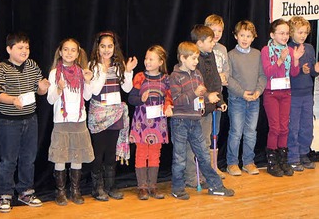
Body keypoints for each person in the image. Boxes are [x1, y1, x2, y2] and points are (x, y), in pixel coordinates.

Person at [0, 32, 50, 212]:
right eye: (20, 48)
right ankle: (5, 195)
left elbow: (39, 90)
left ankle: (25, 191)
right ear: (9, 49)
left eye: (27, 47)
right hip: (9, 122)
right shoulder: (1, 68)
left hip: (30, 119)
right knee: (9, 160)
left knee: (28, 158)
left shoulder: (32, 65)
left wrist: (42, 88)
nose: (25, 51)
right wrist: (13, 100)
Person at [169, 41, 235, 200]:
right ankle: (177, 188)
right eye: (193, 58)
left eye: (197, 58)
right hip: (180, 122)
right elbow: (177, 100)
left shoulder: (197, 74)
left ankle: (215, 186)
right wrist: (194, 93)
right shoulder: (175, 76)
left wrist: (208, 96)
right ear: (183, 58)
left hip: (195, 120)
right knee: (180, 157)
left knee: (204, 155)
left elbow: (202, 92)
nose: (196, 62)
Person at [87, 31, 137, 201]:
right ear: (97, 48)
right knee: (98, 152)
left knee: (111, 152)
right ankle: (97, 188)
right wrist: (102, 69)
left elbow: (127, 89)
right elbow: (92, 91)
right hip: (99, 114)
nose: (106, 50)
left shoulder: (119, 65)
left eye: (110, 46)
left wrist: (128, 71)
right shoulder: (92, 65)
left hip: (115, 114)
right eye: (103, 46)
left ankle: (110, 186)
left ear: (114, 47)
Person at [46, 38, 95, 205]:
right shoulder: (54, 73)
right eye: (65, 49)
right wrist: (59, 88)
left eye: (73, 50)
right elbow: (51, 100)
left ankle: (75, 190)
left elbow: (87, 96)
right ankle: (60, 191)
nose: (69, 53)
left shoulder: (82, 71)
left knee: (77, 155)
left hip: (79, 120)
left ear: (78, 53)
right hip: (61, 121)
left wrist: (88, 81)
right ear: (60, 52)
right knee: (60, 156)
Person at [185, 25, 227, 188]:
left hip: (209, 108)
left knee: (205, 143)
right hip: (196, 109)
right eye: (210, 41)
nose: (213, 44)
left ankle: (203, 173)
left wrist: (220, 100)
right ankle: (190, 176)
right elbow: (195, 84)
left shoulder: (211, 56)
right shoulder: (192, 59)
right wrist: (207, 96)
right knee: (193, 144)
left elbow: (216, 79)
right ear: (200, 43)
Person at [128, 45, 173, 200]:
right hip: (142, 122)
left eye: (151, 59)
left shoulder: (166, 79)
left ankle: (153, 186)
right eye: (146, 58)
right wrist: (141, 98)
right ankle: (142, 187)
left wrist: (168, 107)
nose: (147, 61)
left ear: (160, 62)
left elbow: (169, 98)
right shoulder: (140, 77)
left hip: (158, 123)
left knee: (155, 153)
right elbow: (131, 98)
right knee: (141, 153)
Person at [261, 18, 302, 177]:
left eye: (287, 33)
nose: (285, 36)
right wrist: (280, 60)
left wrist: (296, 59)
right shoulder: (266, 50)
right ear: (272, 34)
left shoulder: (290, 50)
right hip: (271, 93)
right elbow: (268, 72)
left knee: (285, 127)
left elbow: (294, 73)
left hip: (286, 92)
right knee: (275, 127)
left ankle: (283, 160)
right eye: (281, 33)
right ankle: (272, 162)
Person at [225, 20, 266, 176]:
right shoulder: (231, 55)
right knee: (236, 132)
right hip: (237, 100)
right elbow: (228, 78)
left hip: (254, 99)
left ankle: (248, 162)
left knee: (251, 132)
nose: (245, 39)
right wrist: (242, 93)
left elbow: (262, 76)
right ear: (236, 36)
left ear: (253, 38)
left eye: (248, 36)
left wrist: (258, 91)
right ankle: (232, 163)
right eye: (242, 35)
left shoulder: (257, 54)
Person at [287, 16, 319, 171]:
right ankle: (293, 156)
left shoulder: (309, 48)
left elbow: (311, 69)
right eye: (299, 32)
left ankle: (304, 153)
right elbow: (287, 72)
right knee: (294, 126)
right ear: (291, 32)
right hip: (293, 93)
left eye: (305, 32)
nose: (302, 35)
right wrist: (298, 70)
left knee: (307, 125)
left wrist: (314, 70)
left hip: (307, 93)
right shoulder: (288, 48)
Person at [204, 14, 230, 178]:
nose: (217, 33)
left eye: (220, 30)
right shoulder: (203, 48)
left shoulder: (222, 49)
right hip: (205, 96)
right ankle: (203, 166)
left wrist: (224, 76)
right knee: (204, 132)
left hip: (218, 94)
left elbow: (227, 69)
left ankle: (214, 165)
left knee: (215, 130)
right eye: (213, 30)